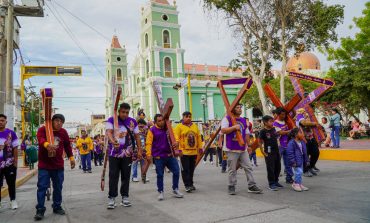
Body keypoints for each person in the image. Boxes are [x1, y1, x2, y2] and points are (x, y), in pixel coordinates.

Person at [34, 114, 75, 221]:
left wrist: (71, 158)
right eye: (57, 120)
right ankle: (40, 209)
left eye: (61, 121)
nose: (59, 123)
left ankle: (57, 206)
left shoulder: (63, 132)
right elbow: (40, 139)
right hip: (44, 165)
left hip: (58, 165)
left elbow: (67, 146)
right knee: (42, 187)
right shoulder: (43, 130)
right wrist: (47, 145)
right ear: (51, 121)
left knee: (58, 187)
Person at [105, 103, 143, 209]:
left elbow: (137, 137)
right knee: (113, 176)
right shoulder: (111, 120)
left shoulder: (133, 122)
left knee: (126, 176)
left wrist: (140, 150)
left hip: (127, 154)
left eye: (127, 112)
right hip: (114, 154)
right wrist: (113, 141)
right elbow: (109, 133)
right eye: (123, 112)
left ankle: (125, 197)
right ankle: (112, 198)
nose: (125, 114)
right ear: (119, 111)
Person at [221, 104, 262, 195]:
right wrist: (233, 127)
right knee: (232, 169)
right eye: (237, 107)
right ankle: (231, 185)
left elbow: (247, 133)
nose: (240, 109)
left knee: (248, 167)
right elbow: (223, 130)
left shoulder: (243, 120)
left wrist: (249, 146)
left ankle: (251, 185)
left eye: (240, 107)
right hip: (231, 148)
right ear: (232, 109)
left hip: (242, 148)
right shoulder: (227, 118)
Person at [146, 114, 184, 200]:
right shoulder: (152, 130)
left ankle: (175, 189)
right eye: (159, 121)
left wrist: (177, 142)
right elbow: (148, 143)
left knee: (176, 171)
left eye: (162, 120)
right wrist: (148, 154)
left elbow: (175, 137)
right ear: (155, 122)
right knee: (160, 175)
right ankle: (160, 191)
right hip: (159, 157)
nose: (161, 122)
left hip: (170, 155)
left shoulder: (169, 128)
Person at [174, 111, 203, 193]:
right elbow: (176, 138)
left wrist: (200, 147)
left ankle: (191, 183)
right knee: (185, 169)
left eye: (190, 116)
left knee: (191, 169)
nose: (188, 118)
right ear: (183, 117)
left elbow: (198, 137)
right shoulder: (179, 127)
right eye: (186, 116)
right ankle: (187, 185)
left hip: (193, 152)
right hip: (184, 153)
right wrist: (178, 149)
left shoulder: (195, 126)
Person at [0, 114, 19, 210]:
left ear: (6, 122)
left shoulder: (11, 133)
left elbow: (15, 148)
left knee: (11, 183)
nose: (0, 122)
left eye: (2, 120)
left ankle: (13, 200)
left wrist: (15, 162)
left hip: (9, 163)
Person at [259, 115, 282, 191]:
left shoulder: (274, 129)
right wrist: (262, 152)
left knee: (278, 167)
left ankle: (276, 181)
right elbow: (259, 142)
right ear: (265, 122)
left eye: (272, 121)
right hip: (268, 153)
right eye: (270, 121)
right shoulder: (263, 131)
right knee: (270, 168)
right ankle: (271, 183)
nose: (272, 123)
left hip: (276, 151)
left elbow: (278, 135)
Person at [295, 108, 320, 177]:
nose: (304, 112)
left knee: (316, 153)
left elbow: (310, 124)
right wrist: (314, 123)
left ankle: (311, 167)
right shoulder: (299, 116)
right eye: (303, 111)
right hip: (304, 139)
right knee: (306, 155)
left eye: (304, 111)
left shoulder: (306, 117)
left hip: (311, 138)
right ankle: (305, 170)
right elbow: (304, 123)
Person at [273, 107, 293, 184]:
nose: (284, 115)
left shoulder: (286, 121)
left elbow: (293, 114)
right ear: (278, 115)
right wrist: (290, 131)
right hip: (279, 145)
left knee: (288, 162)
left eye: (285, 114)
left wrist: (293, 108)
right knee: (277, 163)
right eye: (282, 114)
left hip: (287, 145)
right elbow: (280, 133)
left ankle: (289, 178)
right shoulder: (275, 123)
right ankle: (275, 180)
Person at [287, 128, 309, 192]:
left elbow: (305, 152)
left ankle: (299, 184)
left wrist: (307, 160)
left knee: (299, 172)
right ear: (296, 134)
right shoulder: (291, 143)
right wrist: (293, 161)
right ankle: (295, 184)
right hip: (295, 161)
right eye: (301, 133)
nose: (302, 134)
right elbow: (290, 153)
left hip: (301, 159)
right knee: (299, 172)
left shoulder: (302, 142)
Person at [131, 119, 149, 183]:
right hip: (135, 149)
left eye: (142, 124)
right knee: (135, 163)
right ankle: (134, 176)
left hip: (144, 150)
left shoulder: (146, 131)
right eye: (139, 124)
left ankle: (144, 176)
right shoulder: (134, 131)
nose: (141, 125)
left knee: (143, 163)